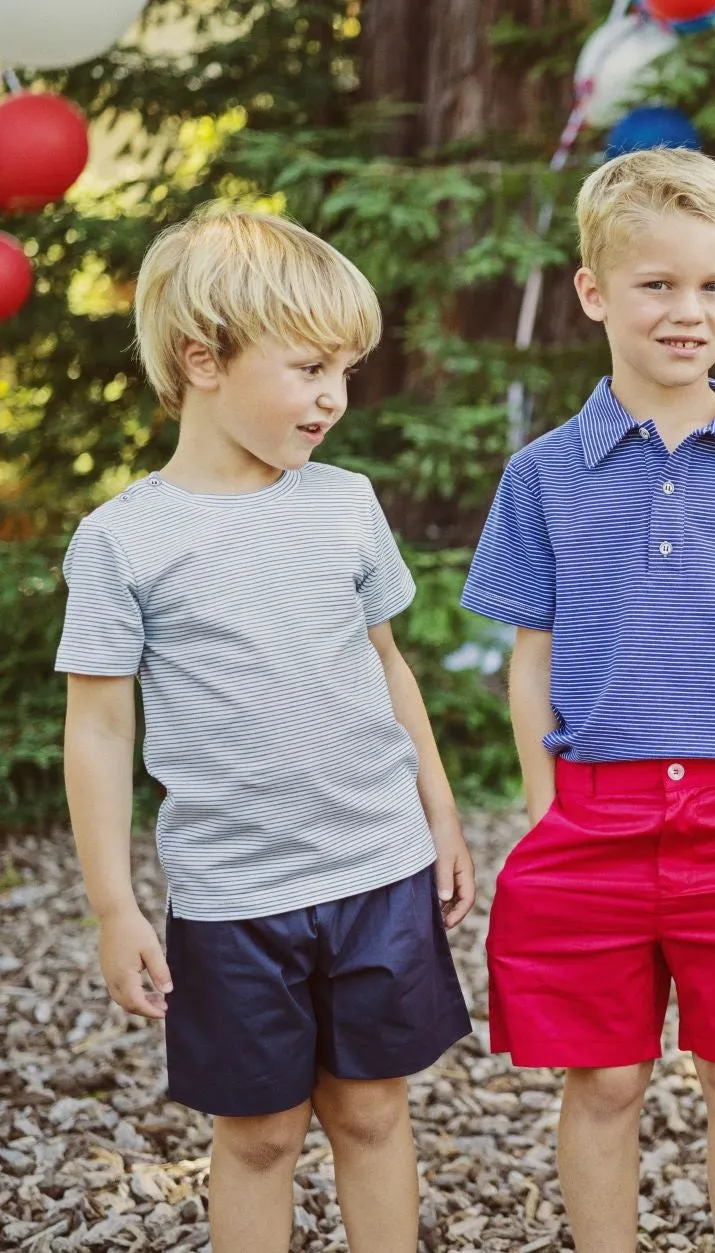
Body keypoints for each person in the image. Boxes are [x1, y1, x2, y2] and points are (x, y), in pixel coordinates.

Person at [58, 205, 475, 1253]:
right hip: (235, 895)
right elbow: (101, 730)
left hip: (378, 868)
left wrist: (443, 814)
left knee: (374, 1111)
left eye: (345, 371)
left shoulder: (344, 503)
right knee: (256, 1136)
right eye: (308, 368)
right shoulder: (122, 540)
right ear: (204, 359)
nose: (334, 397)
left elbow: (386, 662)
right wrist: (116, 905)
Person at [460, 147, 715, 1253]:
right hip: (593, 809)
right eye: (657, 284)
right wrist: (544, 801)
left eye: (713, 285)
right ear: (594, 292)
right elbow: (529, 652)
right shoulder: (540, 472)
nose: (688, 311)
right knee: (605, 1077)